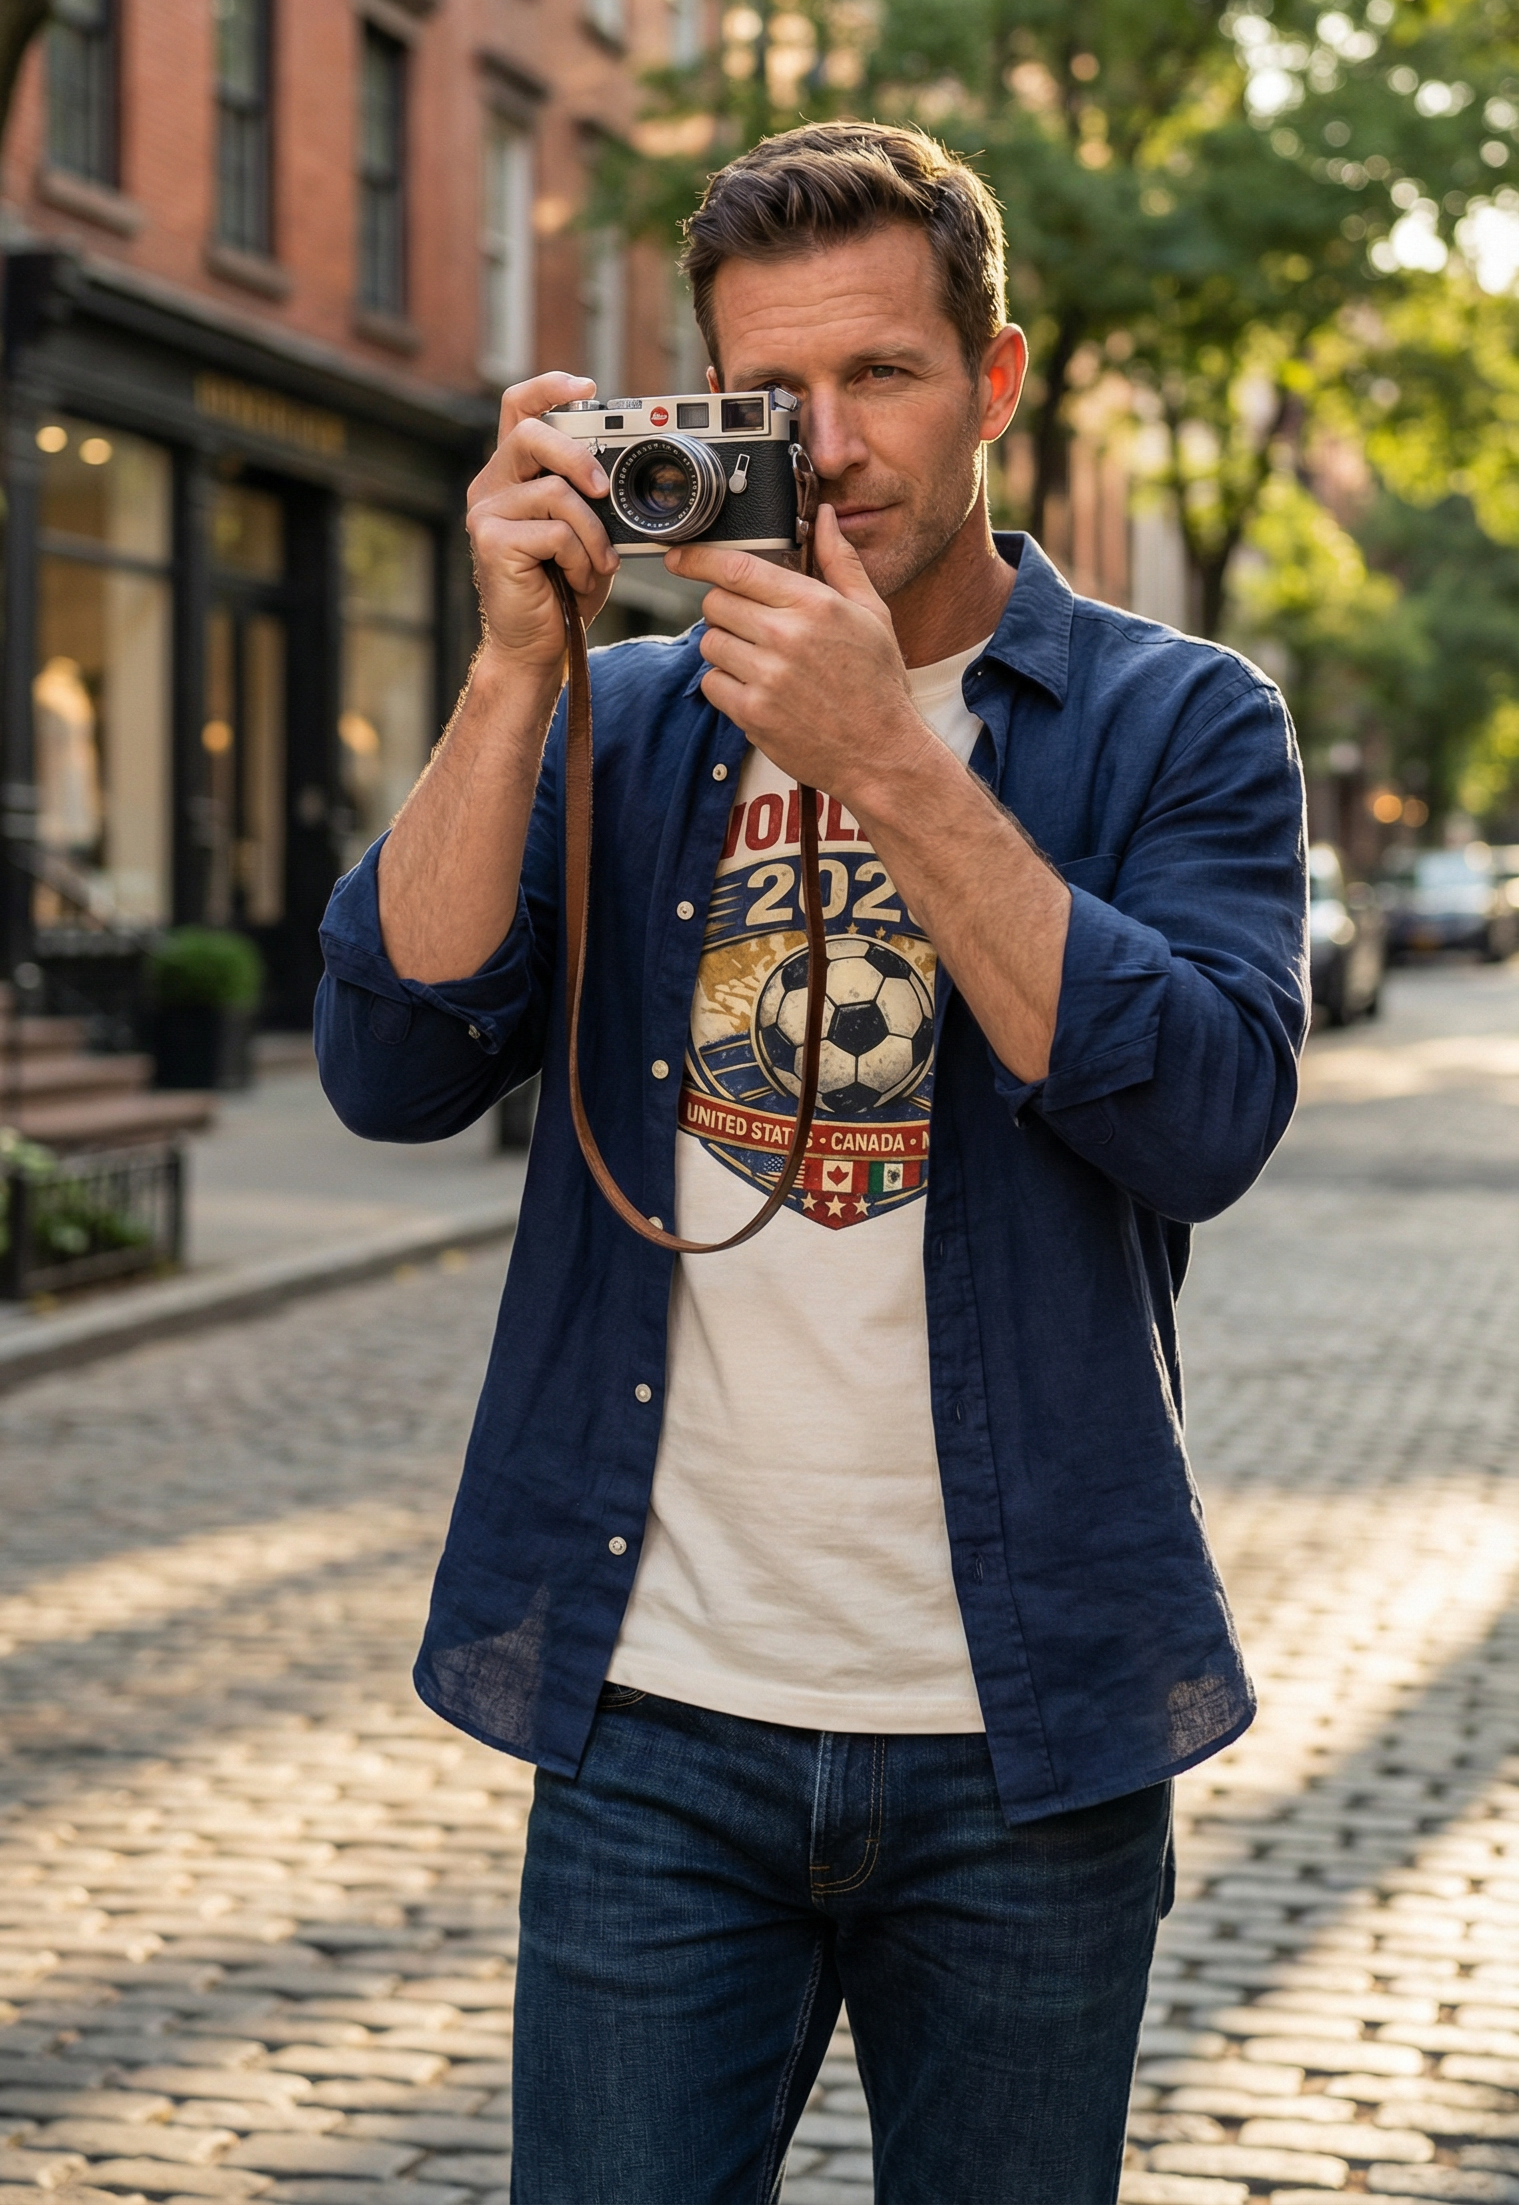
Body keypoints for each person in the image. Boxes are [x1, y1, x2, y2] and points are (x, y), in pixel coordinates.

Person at [316, 122, 1307, 2205]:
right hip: (654, 1703)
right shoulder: (623, 718)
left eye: (884, 377)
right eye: (770, 397)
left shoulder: (1178, 722)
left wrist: (882, 750)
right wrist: (518, 664)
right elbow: (393, 1057)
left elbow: (1205, 1113)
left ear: (999, 380)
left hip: (1026, 1722)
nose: (828, 447)